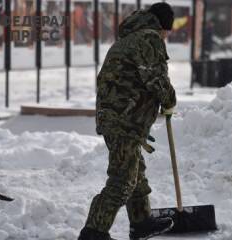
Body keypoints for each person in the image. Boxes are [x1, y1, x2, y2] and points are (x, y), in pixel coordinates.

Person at [78, 2, 177, 240]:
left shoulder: (129, 39)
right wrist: (169, 100)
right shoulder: (148, 38)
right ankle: (93, 232)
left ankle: (141, 222)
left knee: (135, 172)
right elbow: (155, 76)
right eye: (167, 32)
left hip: (119, 118)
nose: (166, 37)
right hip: (125, 120)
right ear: (163, 26)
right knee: (123, 180)